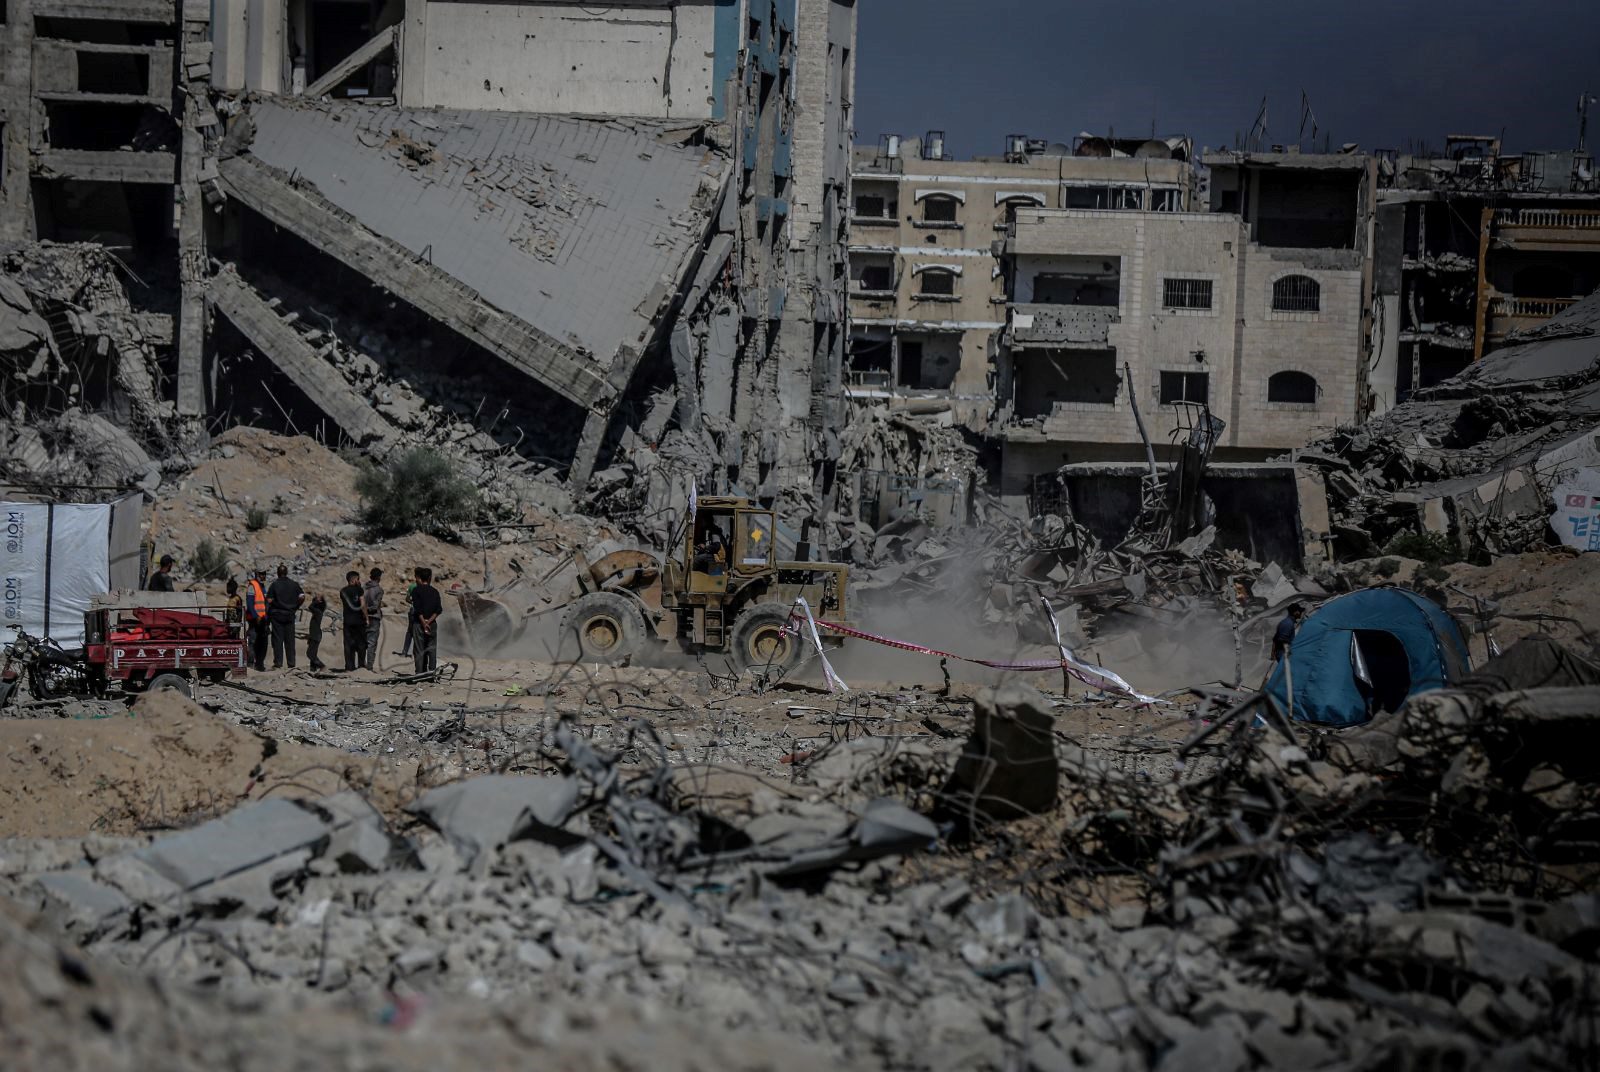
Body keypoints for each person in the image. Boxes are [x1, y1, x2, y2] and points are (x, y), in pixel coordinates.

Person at [266, 564, 305, 670]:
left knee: (278, 640)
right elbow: (302, 596)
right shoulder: (294, 584)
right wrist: (296, 606)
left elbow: (269, 600)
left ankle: (278, 663)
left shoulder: (274, 585)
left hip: (277, 615)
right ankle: (291, 663)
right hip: (290, 615)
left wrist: (268, 615)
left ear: (278, 573)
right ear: (287, 573)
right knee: (290, 641)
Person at [1262, 602, 1307, 687]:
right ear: (1295, 612)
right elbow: (1281, 639)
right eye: (1300, 611)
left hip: (1283, 654)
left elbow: (1275, 639)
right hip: (1284, 654)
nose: (1301, 613)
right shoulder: (1288, 624)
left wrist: (1273, 653)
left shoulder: (1288, 622)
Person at [411, 567, 442, 675]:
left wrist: (424, 623)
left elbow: (417, 609)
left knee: (419, 650)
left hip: (419, 624)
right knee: (431, 649)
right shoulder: (435, 591)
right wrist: (429, 622)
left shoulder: (416, 590)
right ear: (429, 578)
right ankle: (432, 672)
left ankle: (419, 673)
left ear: (420, 577)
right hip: (432, 624)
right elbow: (438, 610)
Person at [340, 570, 368, 671]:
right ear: (354, 579)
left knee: (348, 645)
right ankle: (361, 666)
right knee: (361, 644)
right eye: (358, 579)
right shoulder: (359, 590)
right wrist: (366, 617)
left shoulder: (343, 591)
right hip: (359, 621)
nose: (359, 581)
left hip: (347, 621)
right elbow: (363, 605)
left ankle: (349, 666)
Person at [244, 568, 270, 672]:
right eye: (262, 574)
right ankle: (251, 663)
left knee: (262, 643)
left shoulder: (262, 586)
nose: (264, 576)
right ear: (257, 574)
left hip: (262, 620)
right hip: (255, 620)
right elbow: (250, 604)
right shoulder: (252, 586)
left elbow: (265, 603)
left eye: (264, 574)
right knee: (253, 641)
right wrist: (256, 616)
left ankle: (260, 664)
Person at [363, 568, 385, 670]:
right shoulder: (379, 590)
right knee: (372, 644)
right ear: (379, 577)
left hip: (363, 617)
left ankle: (361, 664)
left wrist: (363, 610)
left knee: (363, 642)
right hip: (374, 618)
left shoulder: (363, 588)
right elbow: (375, 607)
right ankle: (369, 666)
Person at [395, 573, 418, 658]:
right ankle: (416, 653)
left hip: (413, 610)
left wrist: (412, 601)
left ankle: (404, 652)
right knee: (418, 633)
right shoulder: (426, 587)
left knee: (410, 632)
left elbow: (407, 598)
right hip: (422, 612)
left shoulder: (412, 586)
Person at [305, 593, 328, 672]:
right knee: (313, 654)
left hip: (315, 635)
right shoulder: (317, 613)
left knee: (310, 654)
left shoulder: (318, 612)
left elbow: (310, 607)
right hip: (314, 635)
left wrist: (317, 601)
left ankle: (322, 666)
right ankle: (313, 670)